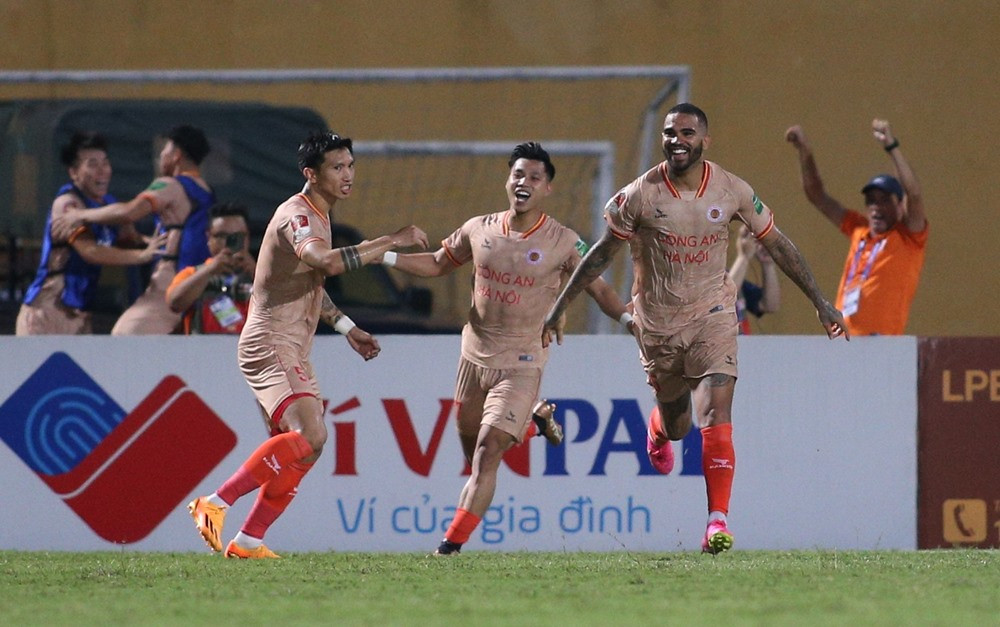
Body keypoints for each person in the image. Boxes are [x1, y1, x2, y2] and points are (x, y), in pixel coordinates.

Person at [544, 104, 847, 554]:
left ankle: (716, 522)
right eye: (670, 133)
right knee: (679, 424)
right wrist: (559, 306)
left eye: (687, 132)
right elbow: (602, 255)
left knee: (716, 414)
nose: (677, 140)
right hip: (658, 326)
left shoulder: (732, 190)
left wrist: (820, 302)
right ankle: (658, 427)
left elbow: (778, 244)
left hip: (713, 317)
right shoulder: (639, 195)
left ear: (705, 140)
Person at [380, 142, 634, 555]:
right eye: (518, 174)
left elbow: (600, 289)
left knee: (488, 449)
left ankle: (449, 548)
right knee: (474, 455)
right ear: (507, 180)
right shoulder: (478, 228)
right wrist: (385, 256)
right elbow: (438, 263)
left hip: (522, 360)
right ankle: (533, 423)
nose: (524, 182)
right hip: (474, 356)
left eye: (534, 177)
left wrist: (628, 322)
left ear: (547, 188)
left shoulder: (564, 241)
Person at [187, 131, 428, 559]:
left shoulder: (320, 214)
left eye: (350, 165)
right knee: (310, 433)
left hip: (292, 345)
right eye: (337, 167)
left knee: (308, 448)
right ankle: (215, 503)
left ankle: (248, 541)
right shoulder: (297, 215)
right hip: (271, 340)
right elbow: (325, 263)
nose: (347, 175)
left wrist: (347, 327)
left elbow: (308, 282)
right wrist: (390, 241)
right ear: (310, 174)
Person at [53, 125, 216, 335]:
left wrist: (80, 215)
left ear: (176, 155)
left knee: (125, 335)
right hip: (198, 280)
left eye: (164, 151)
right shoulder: (205, 190)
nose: (161, 157)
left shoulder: (169, 185)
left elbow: (130, 212)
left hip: (172, 280)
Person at [785, 120, 928, 336]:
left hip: (881, 343)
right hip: (843, 340)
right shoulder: (859, 230)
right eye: (871, 201)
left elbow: (914, 194)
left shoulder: (909, 237)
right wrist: (804, 151)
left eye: (884, 200)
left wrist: (891, 147)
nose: (876, 207)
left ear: (900, 206)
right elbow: (817, 195)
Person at [16, 131, 166, 335]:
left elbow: (132, 240)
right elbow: (90, 251)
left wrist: (161, 244)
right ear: (74, 172)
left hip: (81, 315)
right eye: (92, 164)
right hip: (47, 311)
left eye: (105, 162)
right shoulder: (67, 204)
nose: (102, 171)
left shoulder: (108, 205)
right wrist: (141, 256)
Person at [166, 202, 256, 334]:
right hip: (203, 344)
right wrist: (209, 271)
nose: (229, 243)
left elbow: (284, 307)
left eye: (238, 236)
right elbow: (174, 303)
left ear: (248, 237)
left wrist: (257, 274)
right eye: (222, 236)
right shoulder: (192, 273)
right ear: (209, 237)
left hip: (250, 344)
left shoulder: (262, 273)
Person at [729, 223, 780, 335]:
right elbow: (723, 299)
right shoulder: (694, 279)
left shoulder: (729, 276)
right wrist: (743, 257)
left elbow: (769, 305)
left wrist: (767, 263)